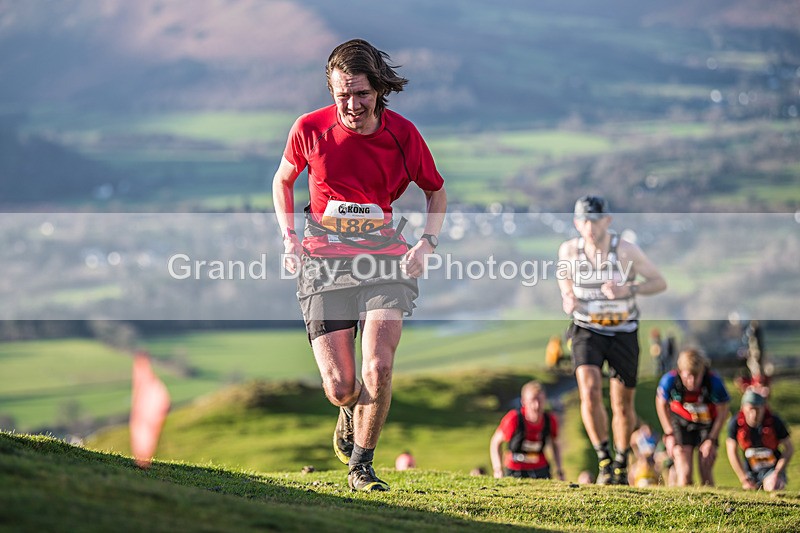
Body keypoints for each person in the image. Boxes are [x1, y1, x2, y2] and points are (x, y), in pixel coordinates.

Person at [272, 39, 447, 492]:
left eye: (361, 94)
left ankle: (362, 467)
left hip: (385, 260)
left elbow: (436, 190)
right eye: (341, 95)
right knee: (340, 386)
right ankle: (349, 410)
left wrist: (427, 243)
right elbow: (283, 179)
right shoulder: (309, 128)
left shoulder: (402, 135)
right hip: (323, 263)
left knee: (378, 367)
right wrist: (289, 238)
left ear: (379, 90)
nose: (351, 105)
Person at [557, 195, 667, 484]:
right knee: (590, 390)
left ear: (607, 221)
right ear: (576, 224)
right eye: (584, 221)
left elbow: (659, 282)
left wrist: (628, 289)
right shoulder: (569, 250)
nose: (590, 227)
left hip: (623, 331)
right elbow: (563, 276)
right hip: (586, 328)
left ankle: (620, 462)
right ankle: (603, 459)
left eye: (595, 220)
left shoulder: (626, 250)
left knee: (621, 404)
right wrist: (567, 295)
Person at [656, 348, 730, 486]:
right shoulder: (670, 380)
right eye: (687, 376)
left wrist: (712, 439)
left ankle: (710, 504)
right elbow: (661, 404)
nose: (692, 381)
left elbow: (723, 411)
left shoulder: (713, 382)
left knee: (705, 467)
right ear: (680, 371)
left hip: (706, 424)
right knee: (685, 473)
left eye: (697, 376)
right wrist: (669, 433)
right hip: (681, 423)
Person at [490, 381, 565, 480]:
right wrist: (498, 469)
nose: (536, 405)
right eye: (532, 400)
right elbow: (495, 442)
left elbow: (555, 444)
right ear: (523, 401)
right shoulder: (514, 418)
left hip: (540, 469)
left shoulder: (550, 420)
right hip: (515, 469)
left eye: (540, 400)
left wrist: (559, 470)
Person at [726, 388, 793, 491]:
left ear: (763, 408)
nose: (754, 414)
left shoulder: (774, 422)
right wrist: (743, 478)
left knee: (772, 486)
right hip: (750, 471)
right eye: (750, 409)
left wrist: (777, 472)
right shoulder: (735, 423)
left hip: (772, 469)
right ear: (743, 408)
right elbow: (731, 451)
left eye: (757, 409)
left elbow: (789, 448)